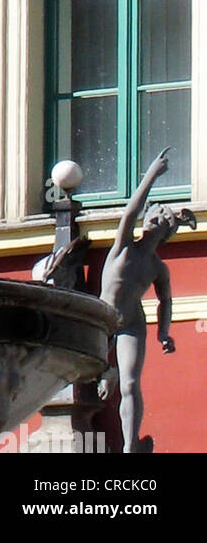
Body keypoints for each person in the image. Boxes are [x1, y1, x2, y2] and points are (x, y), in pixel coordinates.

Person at [98, 147, 196, 452]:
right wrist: (152, 174)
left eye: (160, 216)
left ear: (167, 229)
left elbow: (165, 300)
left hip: (131, 322)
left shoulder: (157, 267)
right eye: (152, 213)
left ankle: (130, 446)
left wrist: (163, 331)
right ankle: (105, 371)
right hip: (101, 316)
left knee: (130, 385)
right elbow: (131, 209)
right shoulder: (124, 246)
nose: (153, 216)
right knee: (86, 362)